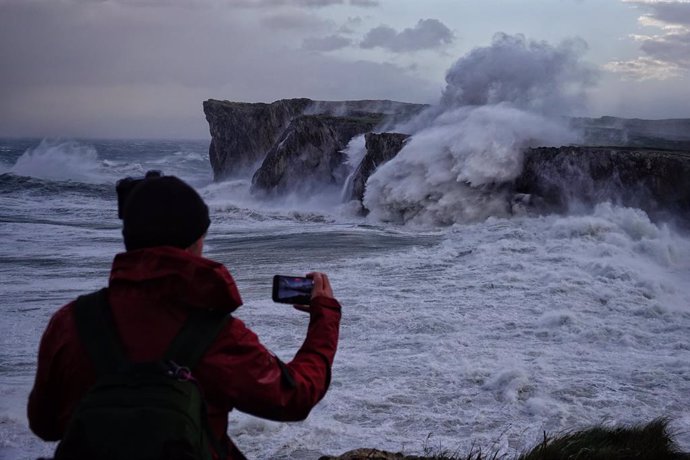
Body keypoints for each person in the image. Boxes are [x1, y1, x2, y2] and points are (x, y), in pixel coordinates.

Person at [27, 175, 341, 459]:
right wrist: (324, 316)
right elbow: (293, 396)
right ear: (194, 242)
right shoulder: (215, 333)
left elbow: (45, 424)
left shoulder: (71, 323)